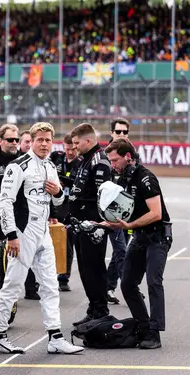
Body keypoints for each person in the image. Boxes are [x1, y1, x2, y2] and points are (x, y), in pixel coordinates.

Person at [0, 122, 83, 355]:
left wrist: (59, 193)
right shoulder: (18, 166)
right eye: (39, 139)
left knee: (51, 286)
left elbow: (60, 205)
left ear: (53, 142)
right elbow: (5, 202)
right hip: (22, 234)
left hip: (43, 234)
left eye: (48, 140)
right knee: (13, 283)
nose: (43, 144)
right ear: (31, 140)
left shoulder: (51, 166)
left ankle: (55, 336)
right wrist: (11, 234)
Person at [104, 139, 171, 349]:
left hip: (158, 236)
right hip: (140, 235)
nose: (112, 164)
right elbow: (122, 210)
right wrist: (102, 223)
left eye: (115, 160)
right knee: (127, 283)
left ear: (127, 157)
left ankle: (154, 332)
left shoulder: (145, 177)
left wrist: (129, 225)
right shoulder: (122, 177)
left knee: (153, 281)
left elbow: (156, 213)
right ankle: (142, 326)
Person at [0, 123, 39, 300]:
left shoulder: (25, 161)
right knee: (1, 255)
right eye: (10, 140)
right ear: (0, 141)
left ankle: (30, 289)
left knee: (26, 251)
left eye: (16, 139)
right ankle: (2, 291)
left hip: (22, 215)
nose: (14, 143)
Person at [69, 123, 112, 326]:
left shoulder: (99, 161)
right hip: (81, 224)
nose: (74, 146)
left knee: (94, 269)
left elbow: (103, 197)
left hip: (93, 226)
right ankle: (94, 308)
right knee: (86, 270)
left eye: (77, 143)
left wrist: (98, 224)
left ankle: (100, 311)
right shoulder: (85, 159)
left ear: (88, 140)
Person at [105, 117, 132, 304]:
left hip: (127, 213)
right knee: (122, 251)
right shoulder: (104, 156)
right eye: (118, 131)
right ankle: (129, 289)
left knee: (119, 252)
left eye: (125, 132)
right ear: (111, 133)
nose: (121, 134)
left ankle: (108, 287)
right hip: (110, 214)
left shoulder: (131, 155)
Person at [49, 132, 81, 292]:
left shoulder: (81, 163)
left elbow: (77, 183)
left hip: (72, 211)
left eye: (73, 149)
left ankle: (63, 278)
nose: (70, 152)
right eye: (67, 149)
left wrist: (63, 180)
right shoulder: (56, 157)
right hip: (55, 209)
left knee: (68, 246)